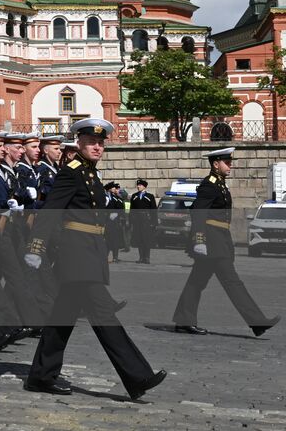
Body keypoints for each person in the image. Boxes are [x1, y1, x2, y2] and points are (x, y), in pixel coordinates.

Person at [24, 118, 165, 399]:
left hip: (90, 250)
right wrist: (36, 246)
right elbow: (52, 210)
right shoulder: (71, 172)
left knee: (61, 319)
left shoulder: (91, 174)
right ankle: (137, 376)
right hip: (76, 254)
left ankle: (41, 375)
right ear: (79, 143)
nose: (97, 147)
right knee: (103, 315)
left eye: (101, 144)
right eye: (91, 143)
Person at [171, 147, 279, 337]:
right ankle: (257, 321)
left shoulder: (220, 184)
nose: (230, 166)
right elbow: (198, 213)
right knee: (232, 282)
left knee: (197, 281)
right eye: (227, 163)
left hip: (219, 240)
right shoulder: (209, 185)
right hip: (212, 242)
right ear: (215, 164)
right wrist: (199, 240)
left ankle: (183, 320)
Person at [128, 179, 157, 264]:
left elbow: (153, 210)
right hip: (137, 220)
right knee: (139, 238)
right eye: (137, 185)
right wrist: (130, 220)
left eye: (140, 185)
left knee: (146, 239)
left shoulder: (150, 196)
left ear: (144, 186)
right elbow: (131, 209)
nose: (138, 186)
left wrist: (154, 222)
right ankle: (141, 257)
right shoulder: (134, 196)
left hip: (146, 220)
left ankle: (147, 257)